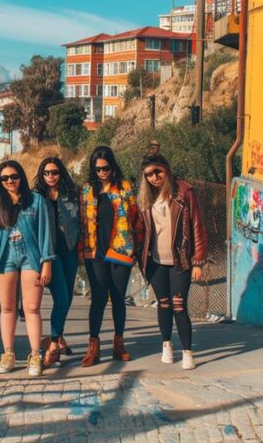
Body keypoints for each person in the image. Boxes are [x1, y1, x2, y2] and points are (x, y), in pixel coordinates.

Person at [135, 150, 207, 370]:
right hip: (155, 262)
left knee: (179, 306)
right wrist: (139, 257)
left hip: (180, 260)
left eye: (158, 171)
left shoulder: (183, 192)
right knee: (163, 305)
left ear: (166, 169)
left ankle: (187, 352)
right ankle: (166, 344)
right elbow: (140, 231)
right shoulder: (145, 199)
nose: (154, 177)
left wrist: (198, 261)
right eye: (148, 174)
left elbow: (197, 225)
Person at [78, 146, 144, 366]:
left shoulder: (125, 188)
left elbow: (136, 217)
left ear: (112, 166)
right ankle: (93, 348)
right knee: (98, 299)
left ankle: (118, 345)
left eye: (105, 168)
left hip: (120, 250)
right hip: (95, 252)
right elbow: (81, 222)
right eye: (97, 169)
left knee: (118, 298)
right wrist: (81, 249)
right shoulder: (87, 190)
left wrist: (136, 246)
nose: (102, 173)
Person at [0, 160, 54, 377]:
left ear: (21, 177)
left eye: (14, 176)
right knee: (7, 309)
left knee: (32, 307)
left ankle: (35, 354)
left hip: (31, 257)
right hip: (5, 258)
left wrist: (47, 264)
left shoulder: (36, 201)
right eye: (4, 178)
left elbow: (46, 233)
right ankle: (8, 353)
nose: (10, 181)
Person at [32, 156, 81, 367]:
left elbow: (82, 221)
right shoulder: (36, 197)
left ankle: (58, 336)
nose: (51, 176)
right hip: (50, 255)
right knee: (61, 297)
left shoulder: (72, 194)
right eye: (47, 173)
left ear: (61, 173)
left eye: (55, 172)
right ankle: (52, 342)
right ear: (42, 175)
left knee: (67, 297)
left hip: (70, 250)